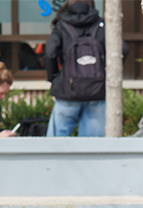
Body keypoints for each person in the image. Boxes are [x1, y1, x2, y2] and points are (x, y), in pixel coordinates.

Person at [45, 0, 108, 137]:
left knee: (55, 145)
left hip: (67, 91)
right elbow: (123, 50)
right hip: (97, 91)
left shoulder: (62, 25)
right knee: (92, 147)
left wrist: (56, 81)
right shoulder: (102, 25)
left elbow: (50, 55)